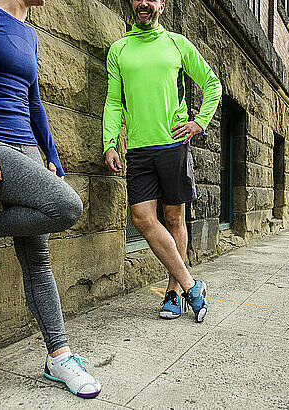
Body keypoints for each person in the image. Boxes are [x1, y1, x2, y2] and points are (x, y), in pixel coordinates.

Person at [0, 0, 101, 399]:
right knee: (68, 207)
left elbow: (33, 101)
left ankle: (58, 356)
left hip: (26, 148)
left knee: (38, 257)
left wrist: (50, 152)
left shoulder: (28, 31)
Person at [102, 0, 222, 322]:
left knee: (174, 219)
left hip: (173, 145)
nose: (143, 3)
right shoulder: (119, 50)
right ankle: (192, 285)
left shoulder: (177, 45)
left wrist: (200, 122)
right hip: (139, 150)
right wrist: (110, 143)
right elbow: (114, 100)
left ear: (161, 5)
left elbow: (213, 84)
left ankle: (173, 292)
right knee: (141, 217)